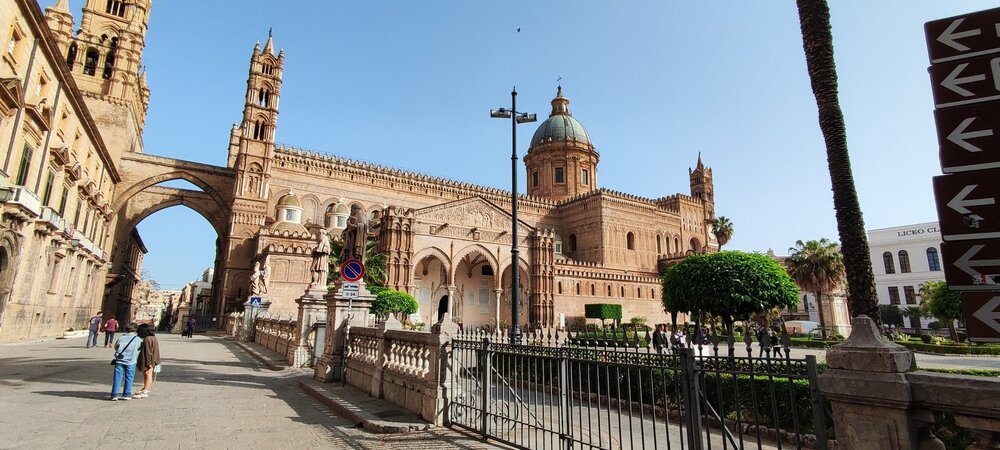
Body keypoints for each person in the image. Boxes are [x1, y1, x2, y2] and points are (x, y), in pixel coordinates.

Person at [110, 322, 142, 401]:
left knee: (117, 377)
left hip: (119, 360)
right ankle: (127, 394)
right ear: (135, 329)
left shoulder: (121, 338)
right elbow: (139, 348)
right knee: (129, 377)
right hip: (131, 361)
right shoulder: (138, 339)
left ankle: (114, 395)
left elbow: (116, 347)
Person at [134, 324, 160, 399]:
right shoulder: (152, 337)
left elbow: (148, 352)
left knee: (148, 375)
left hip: (149, 360)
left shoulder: (147, 339)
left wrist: (149, 363)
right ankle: (145, 388)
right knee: (147, 374)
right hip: (152, 359)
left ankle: (145, 390)